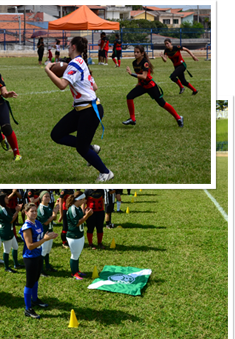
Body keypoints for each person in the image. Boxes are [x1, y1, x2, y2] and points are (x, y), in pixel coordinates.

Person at [45, 36, 114, 182]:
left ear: (74, 47)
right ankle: (91, 148)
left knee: (81, 149)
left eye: (69, 45)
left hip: (90, 110)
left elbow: (62, 85)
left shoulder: (75, 64)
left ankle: (106, 172)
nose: (68, 47)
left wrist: (48, 70)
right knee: (56, 134)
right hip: (82, 108)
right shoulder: (80, 62)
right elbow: (94, 87)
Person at [123, 45, 184, 128]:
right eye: (134, 52)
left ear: (142, 53)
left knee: (162, 103)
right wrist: (138, 82)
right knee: (129, 97)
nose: (135, 54)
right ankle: (132, 119)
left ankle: (178, 117)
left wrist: (131, 74)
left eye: (137, 52)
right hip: (142, 85)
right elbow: (139, 74)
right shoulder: (134, 63)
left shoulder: (145, 63)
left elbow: (144, 76)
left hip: (150, 86)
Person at [20, 203, 58, 320]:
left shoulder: (38, 223)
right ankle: (28, 308)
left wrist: (48, 236)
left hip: (38, 255)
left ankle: (35, 299)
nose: (34, 213)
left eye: (35, 211)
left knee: (36, 279)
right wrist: (44, 239)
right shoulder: (27, 227)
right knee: (30, 282)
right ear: (26, 212)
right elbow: (30, 246)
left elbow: (41, 237)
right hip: (30, 257)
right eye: (31, 211)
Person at [66, 191, 93, 280]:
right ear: (79, 200)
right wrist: (87, 215)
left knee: (77, 255)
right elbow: (76, 223)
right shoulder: (72, 209)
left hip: (79, 234)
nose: (84, 201)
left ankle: (77, 270)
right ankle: (74, 273)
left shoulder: (77, 208)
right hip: (73, 235)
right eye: (83, 199)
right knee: (74, 255)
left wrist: (86, 213)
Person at [0, 192, 23, 273]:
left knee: (15, 247)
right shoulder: (3, 209)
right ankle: (7, 267)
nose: (8, 199)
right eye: (6, 198)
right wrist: (17, 211)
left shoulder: (5, 207)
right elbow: (11, 220)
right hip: (6, 231)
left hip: (10, 231)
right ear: (2, 200)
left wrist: (16, 210)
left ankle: (16, 264)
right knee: (6, 250)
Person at [36, 191, 59, 276]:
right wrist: (53, 215)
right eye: (45, 196)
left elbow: (54, 218)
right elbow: (45, 222)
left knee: (48, 250)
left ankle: (48, 266)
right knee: (43, 251)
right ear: (41, 197)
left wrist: (55, 212)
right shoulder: (41, 208)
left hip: (49, 230)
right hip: (44, 232)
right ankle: (40, 270)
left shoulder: (48, 206)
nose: (48, 198)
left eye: (48, 196)